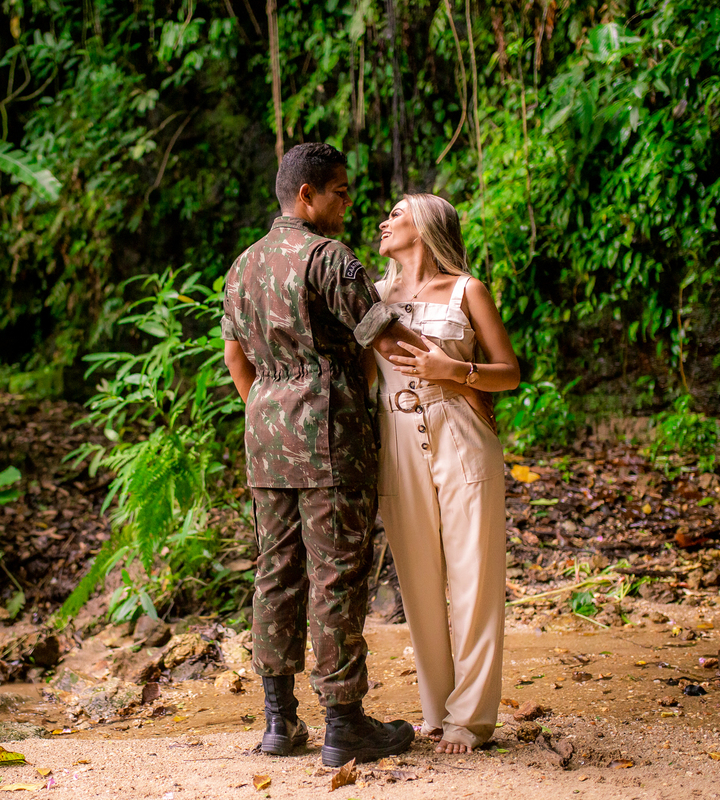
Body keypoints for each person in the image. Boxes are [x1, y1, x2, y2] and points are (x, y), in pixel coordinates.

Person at [221, 143, 430, 766]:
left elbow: (237, 360)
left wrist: (272, 413)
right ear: (306, 194)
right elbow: (385, 339)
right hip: (329, 435)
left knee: (276, 572)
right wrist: (455, 366)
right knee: (337, 574)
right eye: (339, 191)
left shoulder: (242, 266)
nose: (347, 203)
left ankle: (279, 723)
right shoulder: (328, 257)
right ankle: (344, 724)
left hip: (266, 439)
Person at [367, 193, 520, 754]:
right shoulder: (374, 297)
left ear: (427, 225)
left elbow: (509, 373)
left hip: (460, 432)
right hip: (396, 436)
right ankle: (436, 709)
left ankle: (470, 719)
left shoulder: (467, 289)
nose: (384, 222)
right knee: (418, 579)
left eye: (397, 213)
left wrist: (454, 369)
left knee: (475, 575)